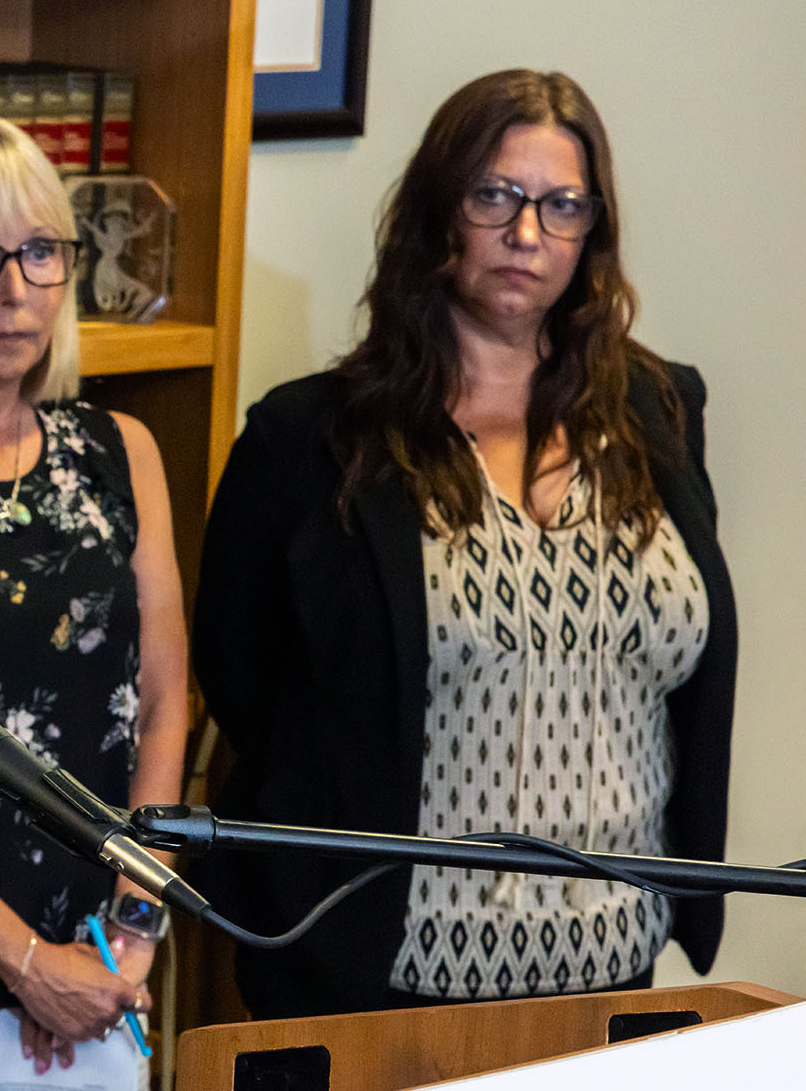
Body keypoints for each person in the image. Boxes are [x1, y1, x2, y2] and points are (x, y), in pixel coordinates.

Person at [195, 69, 736, 1019]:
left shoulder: (661, 411)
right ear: (439, 210)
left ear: (592, 231)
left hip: (610, 964)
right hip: (380, 974)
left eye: (562, 207)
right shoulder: (315, 439)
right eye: (496, 197)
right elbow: (241, 675)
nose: (527, 235)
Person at [0, 113, 190, 1081]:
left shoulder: (119, 452)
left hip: (104, 976)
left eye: (41, 252)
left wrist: (131, 930)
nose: (14, 290)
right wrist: (23, 963)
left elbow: (167, 702)